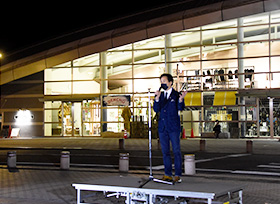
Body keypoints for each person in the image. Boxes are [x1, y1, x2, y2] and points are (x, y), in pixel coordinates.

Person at [153, 73, 187, 183]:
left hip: (173, 127)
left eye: (164, 81)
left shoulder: (176, 95)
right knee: (165, 151)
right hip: (163, 128)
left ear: (170, 82)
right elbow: (156, 109)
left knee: (176, 151)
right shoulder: (161, 96)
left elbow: (180, 108)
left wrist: (181, 100)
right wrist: (157, 98)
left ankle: (177, 174)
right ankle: (167, 174)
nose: (162, 83)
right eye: (161, 81)